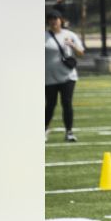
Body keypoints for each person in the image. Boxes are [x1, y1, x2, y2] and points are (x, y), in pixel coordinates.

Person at [45, 10, 84, 143]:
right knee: (50, 104)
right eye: (50, 19)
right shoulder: (44, 36)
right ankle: (44, 130)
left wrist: (72, 45)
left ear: (61, 20)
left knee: (66, 103)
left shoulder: (70, 35)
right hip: (48, 76)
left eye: (56, 18)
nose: (53, 21)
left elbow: (81, 53)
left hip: (68, 76)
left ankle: (69, 132)